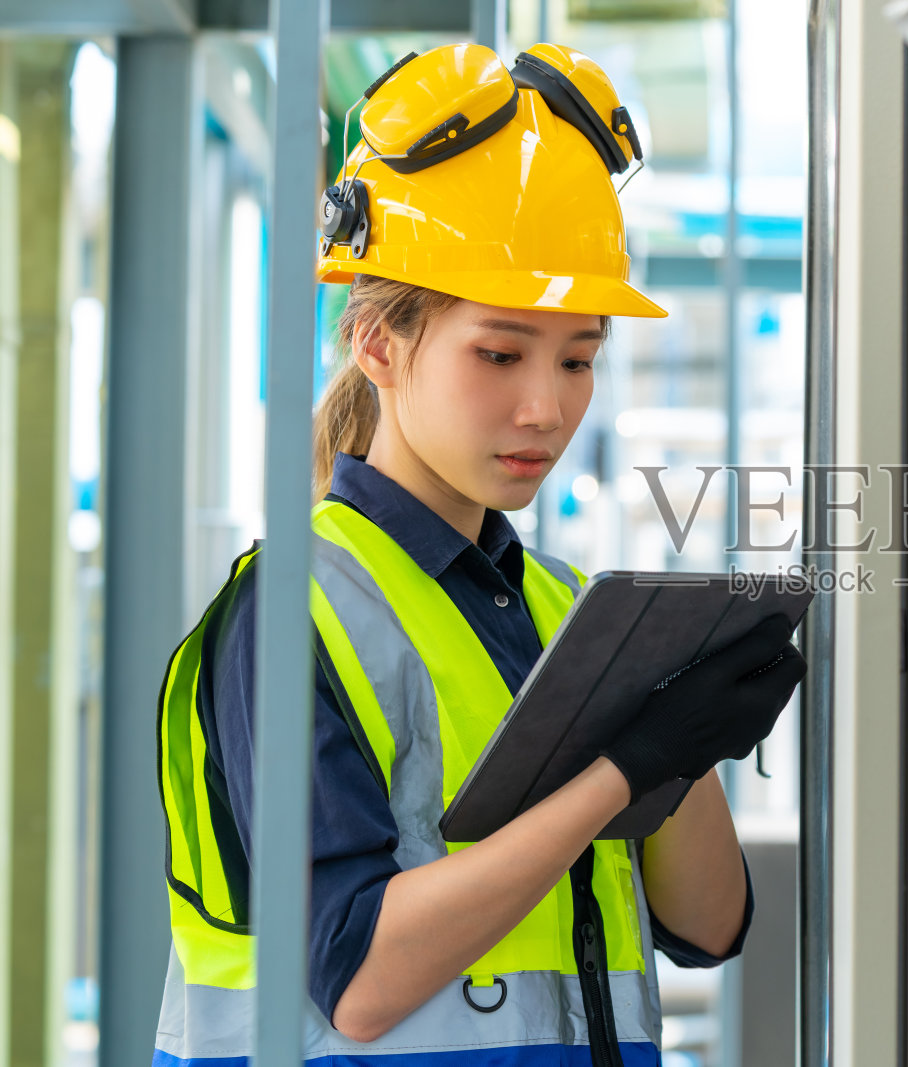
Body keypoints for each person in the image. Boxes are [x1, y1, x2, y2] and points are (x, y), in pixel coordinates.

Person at [153, 42, 806, 1066]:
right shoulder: (292, 612)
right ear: (379, 343)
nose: (546, 407)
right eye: (499, 353)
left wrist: (692, 746)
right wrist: (623, 768)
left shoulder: (565, 604)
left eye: (579, 357)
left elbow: (708, 924)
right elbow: (359, 980)